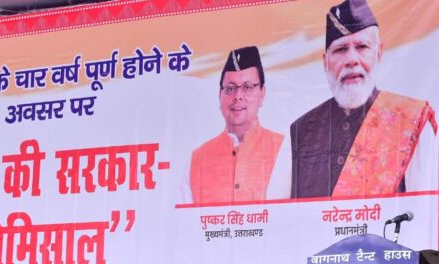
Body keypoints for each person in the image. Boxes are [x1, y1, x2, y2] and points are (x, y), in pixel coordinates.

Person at [287, 0, 437, 198]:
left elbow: (425, 207)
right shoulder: (301, 131)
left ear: (379, 53)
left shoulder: (410, 121)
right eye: (341, 49)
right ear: (325, 62)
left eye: (362, 47)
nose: (352, 60)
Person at [182, 46, 288, 204]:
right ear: (220, 95)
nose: (238, 96)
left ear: (262, 93)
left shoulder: (285, 150)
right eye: (230, 88)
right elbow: (183, 218)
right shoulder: (196, 161)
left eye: (247, 87)